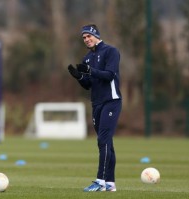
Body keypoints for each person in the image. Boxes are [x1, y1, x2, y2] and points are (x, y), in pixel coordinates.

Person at [67, 24, 122, 192]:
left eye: (89, 36)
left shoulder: (110, 51)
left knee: (103, 140)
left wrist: (91, 71)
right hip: (96, 103)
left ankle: (100, 181)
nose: (86, 40)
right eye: (84, 38)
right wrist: (79, 77)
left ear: (96, 35)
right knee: (107, 143)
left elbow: (109, 75)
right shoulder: (87, 58)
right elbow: (88, 85)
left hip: (111, 101)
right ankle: (110, 183)